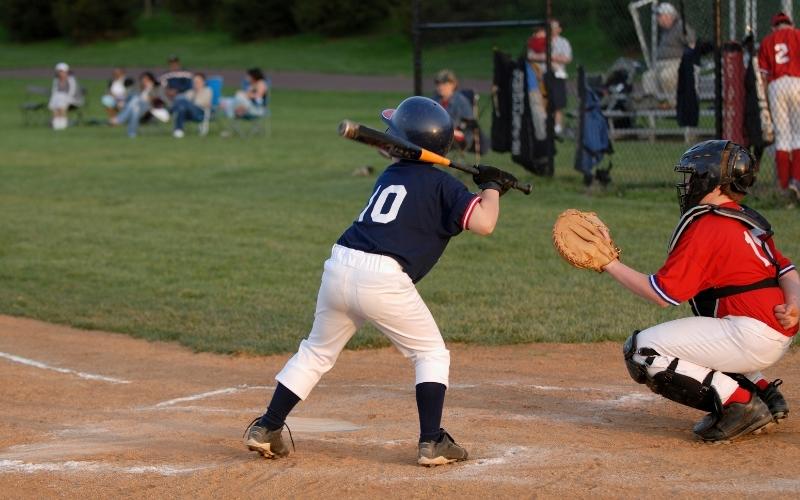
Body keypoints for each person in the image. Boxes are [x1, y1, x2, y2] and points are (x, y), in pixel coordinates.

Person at [243, 96, 518, 466]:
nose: (388, 141)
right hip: (382, 278)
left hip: (341, 264)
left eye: (395, 136)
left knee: (316, 351)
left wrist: (480, 187)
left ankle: (268, 426)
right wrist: (493, 187)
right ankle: (432, 441)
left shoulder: (391, 175)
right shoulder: (443, 185)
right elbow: (484, 223)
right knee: (431, 353)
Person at [600, 140, 798, 443]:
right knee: (704, 336)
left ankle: (740, 403)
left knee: (641, 351)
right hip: (770, 331)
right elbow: (786, 270)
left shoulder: (709, 225)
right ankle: (764, 393)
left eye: (694, 176)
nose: (689, 184)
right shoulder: (744, 218)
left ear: (713, 182)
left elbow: (662, 293)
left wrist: (609, 264)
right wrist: (795, 302)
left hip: (751, 334)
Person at [758, 12, 800, 203]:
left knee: (782, 138)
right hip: (797, 82)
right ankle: (796, 182)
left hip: (776, 86)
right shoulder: (797, 35)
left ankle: (783, 187)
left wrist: (768, 100)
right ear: (790, 24)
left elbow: (764, 76)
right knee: (798, 136)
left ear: (774, 27)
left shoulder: (767, 40)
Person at [641, 2, 696, 107]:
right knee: (647, 77)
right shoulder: (666, 30)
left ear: (668, 16)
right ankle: (656, 104)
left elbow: (692, 44)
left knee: (666, 76)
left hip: (676, 63)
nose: (658, 19)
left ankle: (674, 103)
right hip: (661, 65)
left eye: (660, 16)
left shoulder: (680, 26)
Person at [527, 19, 573, 135]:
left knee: (558, 103)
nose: (551, 29)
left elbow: (567, 59)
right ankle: (543, 126)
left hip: (557, 76)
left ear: (559, 30)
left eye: (554, 27)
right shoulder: (539, 40)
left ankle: (557, 128)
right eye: (549, 27)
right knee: (542, 101)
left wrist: (550, 58)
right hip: (541, 75)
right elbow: (530, 56)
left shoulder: (563, 42)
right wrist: (548, 58)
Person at [431, 69, 477, 153]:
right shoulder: (434, 100)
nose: (441, 87)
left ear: (453, 84)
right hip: (436, 132)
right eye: (438, 84)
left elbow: (470, 123)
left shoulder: (461, 101)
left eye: (444, 84)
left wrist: (454, 129)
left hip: (458, 135)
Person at [110, 71, 160, 138]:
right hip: (137, 106)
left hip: (148, 107)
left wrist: (149, 88)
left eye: (146, 79)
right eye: (143, 79)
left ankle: (120, 119)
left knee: (135, 100)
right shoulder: (138, 87)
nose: (144, 81)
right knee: (135, 109)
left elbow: (155, 100)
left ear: (151, 80)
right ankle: (132, 134)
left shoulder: (155, 88)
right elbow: (129, 96)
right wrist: (142, 88)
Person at [169, 73, 212, 138]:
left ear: (203, 82)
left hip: (200, 113)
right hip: (188, 113)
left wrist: (192, 101)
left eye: (198, 82)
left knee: (182, 100)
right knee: (181, 107)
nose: (196, 83)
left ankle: (169, 112)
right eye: (194, 82)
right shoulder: (190, 92)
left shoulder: (207, 91)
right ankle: (179, 131)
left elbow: (205, 103)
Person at [48, 62, 82, 130]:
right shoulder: (56, 80)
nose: (60, 73)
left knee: (61, 101)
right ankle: (56, 125)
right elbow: (54, 91)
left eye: (62, 71)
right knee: (57, 101)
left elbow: (72, 92)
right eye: (59, 71)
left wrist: (64, 98)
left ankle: (62, 125)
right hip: (59, 100)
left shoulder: (71, 80)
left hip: (73, 100)